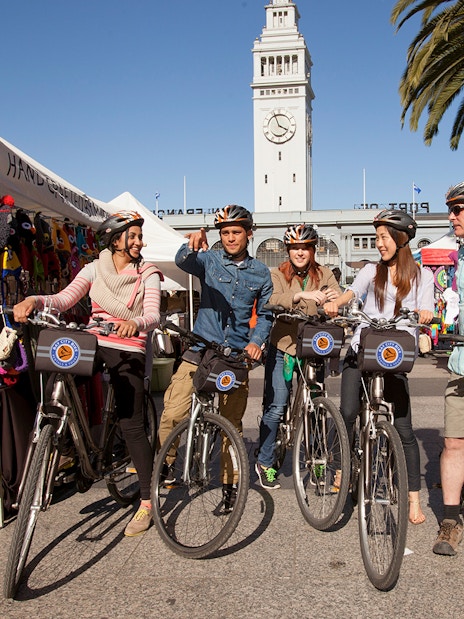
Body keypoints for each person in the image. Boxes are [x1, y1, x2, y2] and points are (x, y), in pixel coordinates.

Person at [13, 211, 162, 537]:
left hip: (129, 347)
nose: (139, 242)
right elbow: (64, 299)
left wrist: (135, 322)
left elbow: (152, 313)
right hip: (95, 341)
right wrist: (34, 300)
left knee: (131, 424)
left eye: (139, 236)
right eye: (133, 235)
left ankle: (148, 503)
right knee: (59, 373)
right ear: (115, 239)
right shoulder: (94, 269)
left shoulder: (147, 273)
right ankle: (68, 444)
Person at [324, 209, 434, 525]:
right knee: (346, 412)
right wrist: (337, 303)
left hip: (393, 356)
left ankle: (413, 500)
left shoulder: (422, 276)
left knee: (404, 430)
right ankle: (344, 467)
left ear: (401, 239)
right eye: (376, 238)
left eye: (383, 237)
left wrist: (425, 313)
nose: (379, 243)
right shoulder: (371, 271)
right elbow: (351, 293)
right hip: (361, 351)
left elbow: (426, 305)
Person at [157, 205, 273, 505]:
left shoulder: (260, 272)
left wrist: (256, 341)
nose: (231, 238)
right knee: (172, 412)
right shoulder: (209, 260)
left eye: (236, 232)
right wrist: (191, 243)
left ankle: (230, 486)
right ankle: (166, 463)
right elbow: (182, 260)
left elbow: (266, 315)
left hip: (235, 356)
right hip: (199, 349)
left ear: (249, 233)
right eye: (225, 233)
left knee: (230, 425)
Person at [255, 224, 341, 489]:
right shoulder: (277, 273)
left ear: (313, 250)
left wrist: (333, 302)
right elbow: (272, 299)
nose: (300, 252)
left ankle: (316, 461)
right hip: (283, 346)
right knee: (276, 406)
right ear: (288, 250)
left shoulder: (324, 273)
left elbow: (335, 298)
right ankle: (265, 463)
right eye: (294, 248)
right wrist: (301, 294)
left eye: (305, 247)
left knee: (316, 408)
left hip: (314, 349)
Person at [432, 182, 464, 555]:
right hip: (460, 364)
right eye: (451, 209)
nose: (451, 216)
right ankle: (451, 521)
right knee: (454, 442)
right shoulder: (454, 258)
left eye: (458, 209)